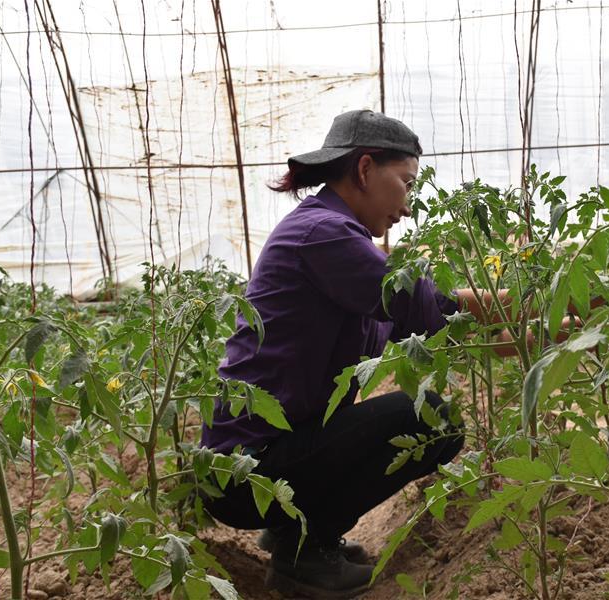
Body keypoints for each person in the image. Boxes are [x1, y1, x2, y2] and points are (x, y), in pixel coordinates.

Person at [200, 110, 480, 599]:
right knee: (437, 419)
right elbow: (437, 310)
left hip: (267, 458)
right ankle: (304, 555)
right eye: (406, 182)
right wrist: (552, 308)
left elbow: (429, 324)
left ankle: (298, 530)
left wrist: (554, 325)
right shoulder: (325, 235)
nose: (409, 205)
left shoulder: (337, 241)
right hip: (245, 472)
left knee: (423, 419)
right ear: (366, 169)